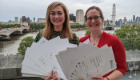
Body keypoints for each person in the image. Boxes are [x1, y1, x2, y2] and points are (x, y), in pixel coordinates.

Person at [79, 6, 127, 80]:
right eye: (89, 18)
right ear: (86, 21)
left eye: (96, 17)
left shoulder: (114, 40)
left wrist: (106, 79)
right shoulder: (81, 41)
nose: (93, 21)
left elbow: (122, 68)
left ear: (102, 19)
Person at [34, 1, 79, 80]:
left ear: (65, 16)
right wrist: (44, 77)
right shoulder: (41, 36)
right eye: (53, 13)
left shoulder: (72, 37)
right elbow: (33, 61)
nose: (56, 16)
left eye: (59, 13)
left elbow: (76, 64)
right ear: (49, 16)